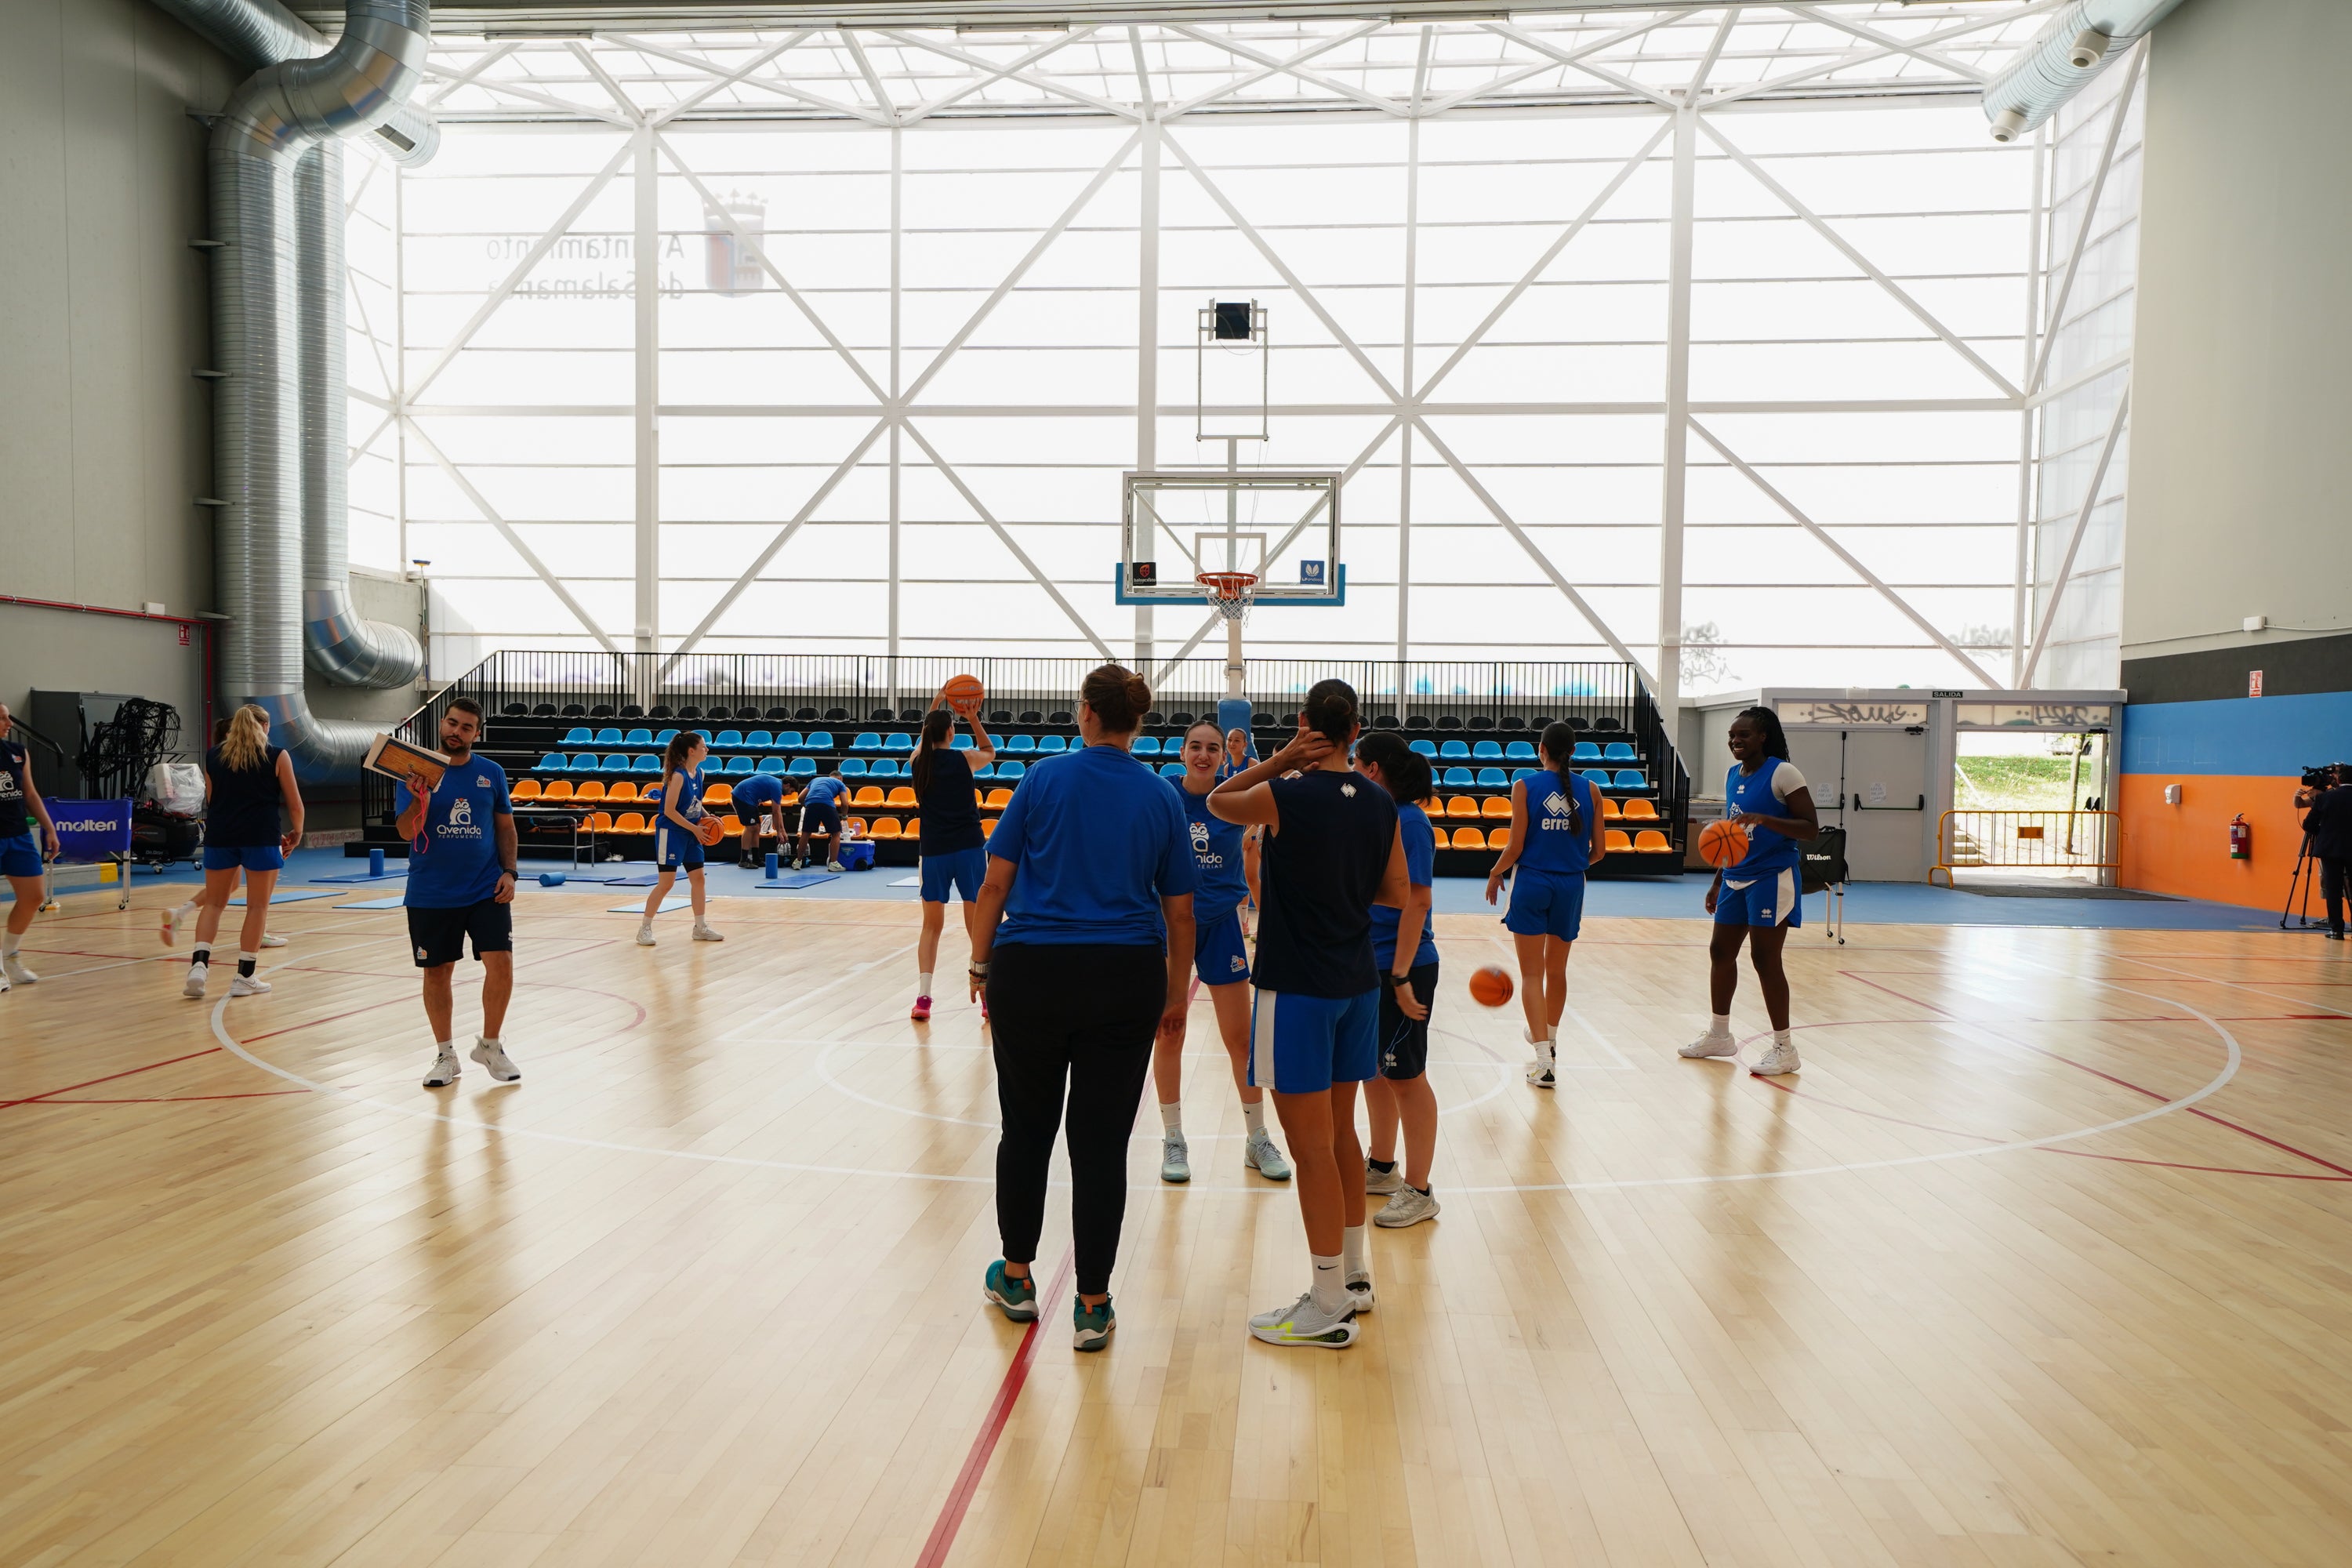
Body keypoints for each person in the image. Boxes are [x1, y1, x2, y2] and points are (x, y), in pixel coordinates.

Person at [968, 663, 1196, 1353]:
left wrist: (980, 962)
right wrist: (1175, 996)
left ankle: (1016, 1277)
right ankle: (1093, 1305)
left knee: (1026, 1131)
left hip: (1032, 972)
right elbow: (1181, 913)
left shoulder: (1042, 778)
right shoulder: (1160, 795)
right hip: (1125, 977)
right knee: (1100, 1147)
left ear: (1089, 713)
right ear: (1135, 721)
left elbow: (995, 883)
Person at [1210, 679, 1410, 1349]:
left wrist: (1277, 761)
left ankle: (1327, 1303)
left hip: (1296, 987)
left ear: (1304, 725)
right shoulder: (1379, 802)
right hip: (1357, 984)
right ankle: (1353, 1276)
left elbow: (1217, 801)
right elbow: (1396, 891)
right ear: (1356, 730)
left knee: (1311, 1149)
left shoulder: (1286, 794)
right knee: (1342, 1133)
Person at [1155, 717, 1290, 1185]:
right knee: (1169, 1032)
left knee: (1241, 1040)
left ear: (1224, 755)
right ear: (1182, 752)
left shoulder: (1236, 797)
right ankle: (1173, 1138)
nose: (1203, 754)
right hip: (1170, 927)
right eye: (1195, 746)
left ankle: (1257, 1138)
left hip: (1221, 927)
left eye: (1213, 748)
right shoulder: (1164, 795)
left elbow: (1281, 792)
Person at [1679, 705, 1819, 1075]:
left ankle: (1785, 1048)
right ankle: (1720, 1035)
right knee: (1720, 952)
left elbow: (1810, 828)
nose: (1735, 741)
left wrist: (1765, 819)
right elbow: (1732, 835)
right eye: (1732, 736)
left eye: (1743, 735)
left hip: (1772, 876)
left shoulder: (1784, 773)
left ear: (1763, 737)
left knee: (1764, 959)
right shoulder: (1732, 775)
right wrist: (1717, 880)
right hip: (1734, 876)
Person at [396, 696, 522, 1088]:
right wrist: (420, 799)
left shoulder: (492, 773)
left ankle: (490, 1045)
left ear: (476, 734)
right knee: (437, 972)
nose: (457, 731)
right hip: (431, 891)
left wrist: (510, 873)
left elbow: (505, 828)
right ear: (442, 724)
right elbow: (405, 832)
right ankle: (445, 1055)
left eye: (466, 727)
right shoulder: (415, 772)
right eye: (452, 723)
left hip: (486, 887)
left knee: (501, 963)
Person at [1483, 720, 1605, 1088]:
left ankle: (1543, 1062)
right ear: (1574, 752)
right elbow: (1599, 852)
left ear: (1542, 749)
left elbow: (1515, 846)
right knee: (1557, 971)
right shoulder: (1592, 789)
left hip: (1533, 882)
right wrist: (1572, 863)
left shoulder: (1524, 786)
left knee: (1532, 975)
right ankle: (1550, 1041)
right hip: (1571, 884)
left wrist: (1495, 873)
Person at [1352, 731, 1439, 1226]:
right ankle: (1383, 1165)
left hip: (1403, 966)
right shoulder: (1381, 816)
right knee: (1376, 1070)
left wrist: (1402, 974)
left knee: (1406, 1078)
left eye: (1356, 763)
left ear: (1374, 770)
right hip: (1372, 960)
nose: (1351, 770)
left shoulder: (1411, 822)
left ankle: (1420, 1190)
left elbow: (1418, 901)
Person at [179, 704, 303, 1000]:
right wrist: (296, 833)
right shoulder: (277, 755)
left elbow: (214, 801)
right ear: (265, 727)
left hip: (221, 836)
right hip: (261, 836)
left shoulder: (213, 756)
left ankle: (198, 967)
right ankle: (244, 977)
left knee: (213, 904)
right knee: (257, 907)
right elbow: (295, 804)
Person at [909, 688, 996, 1022]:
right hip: (969, 848)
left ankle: (923, 998)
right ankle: (987, 997)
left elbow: (924, 739)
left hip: (934, 851)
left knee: (931, 927)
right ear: (950, 732)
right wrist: (973, 718)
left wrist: (935, 705)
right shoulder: (965, 758)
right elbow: (989, 750)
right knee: (978, 926)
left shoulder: (918, 763)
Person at [163, 717, 285, 950]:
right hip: (248, 834)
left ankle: (182, 912)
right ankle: (255, 938)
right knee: (252, 899)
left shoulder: (217, 758)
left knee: (228, 888)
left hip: (224, 833)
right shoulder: (248, 758)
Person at [638, 731, 723, 946]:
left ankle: (700, 927)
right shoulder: (678, 776)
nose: (707, 750)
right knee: (666, 883)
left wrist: (709, 818)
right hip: (672, 832)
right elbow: (669, 811)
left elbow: (696, 803)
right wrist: (695, 829)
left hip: (692, 831)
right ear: (691, 751)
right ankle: (644, 929)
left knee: (699, 879)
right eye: (703, 747)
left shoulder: (700, 773)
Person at [0, 702, 60, 993]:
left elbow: (31, 794)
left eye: (8, 716)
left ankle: (9, 957)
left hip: (18, 834)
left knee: (34, 896)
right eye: (2, 718)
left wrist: (50, 828)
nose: (9, 723)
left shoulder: (18, 752)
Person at [2296, 764, 2352, 940]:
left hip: (2330, 849)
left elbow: (2308, 824)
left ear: (2339, 780)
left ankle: (2336, 930)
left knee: (2333, 890)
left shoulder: (2325, 798)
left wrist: (2325, 834)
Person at [794, 758, 848, 872]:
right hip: (827, 805)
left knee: (805, 833)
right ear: (840, 778)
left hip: (811, 805)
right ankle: (833, 863)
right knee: (836, 834)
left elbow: (800, 798)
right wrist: (844, 816)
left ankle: (798, 862)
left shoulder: (815, 780)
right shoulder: (840, 783)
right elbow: (844, 803)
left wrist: (807, 806)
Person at [730, 766, 787, 870]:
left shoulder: (776, 784)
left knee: (757, 827)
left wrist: (782, 830)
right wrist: (779, 832)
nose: (789, 794)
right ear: (787, 785)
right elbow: (775, 812)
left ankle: (756, 858)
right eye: (791, 791)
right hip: (742, 797)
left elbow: (778, 812)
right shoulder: (777, 787)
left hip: (749, 799)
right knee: (751, 827)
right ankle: (743, 860)